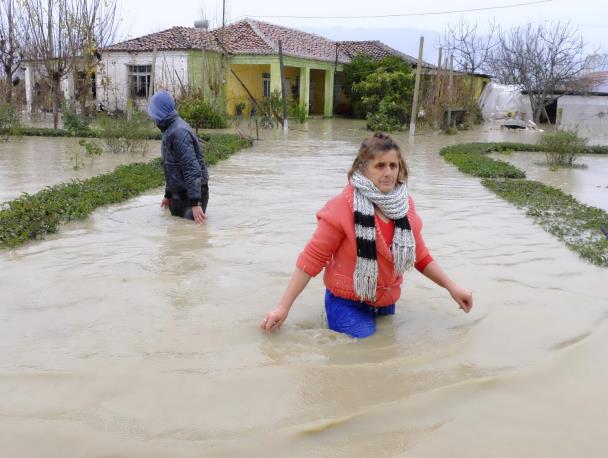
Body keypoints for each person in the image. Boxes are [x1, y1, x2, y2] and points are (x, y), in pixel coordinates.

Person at [261, 133, 473, 338]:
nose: (388, 172)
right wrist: (283, 307)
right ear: (362, 169)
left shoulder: (404, 206)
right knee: (367, 344)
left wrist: (452, 288)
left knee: (387, 343)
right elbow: (312, 259)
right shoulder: (342, 206)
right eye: (380, 166)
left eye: (393, 165)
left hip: (385, 301)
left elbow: (421, 257)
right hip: (346, 302)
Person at [147, 90, 209, 224]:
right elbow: (172, 168)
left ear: (160, 113)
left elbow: (191, 168)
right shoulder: (169, 130)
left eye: (154, 114)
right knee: (176, 231)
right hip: (179, 195)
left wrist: (195, 203)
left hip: (191, 197)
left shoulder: (179, 132)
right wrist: (168, 195)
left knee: (192, 232)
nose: (153, 119)